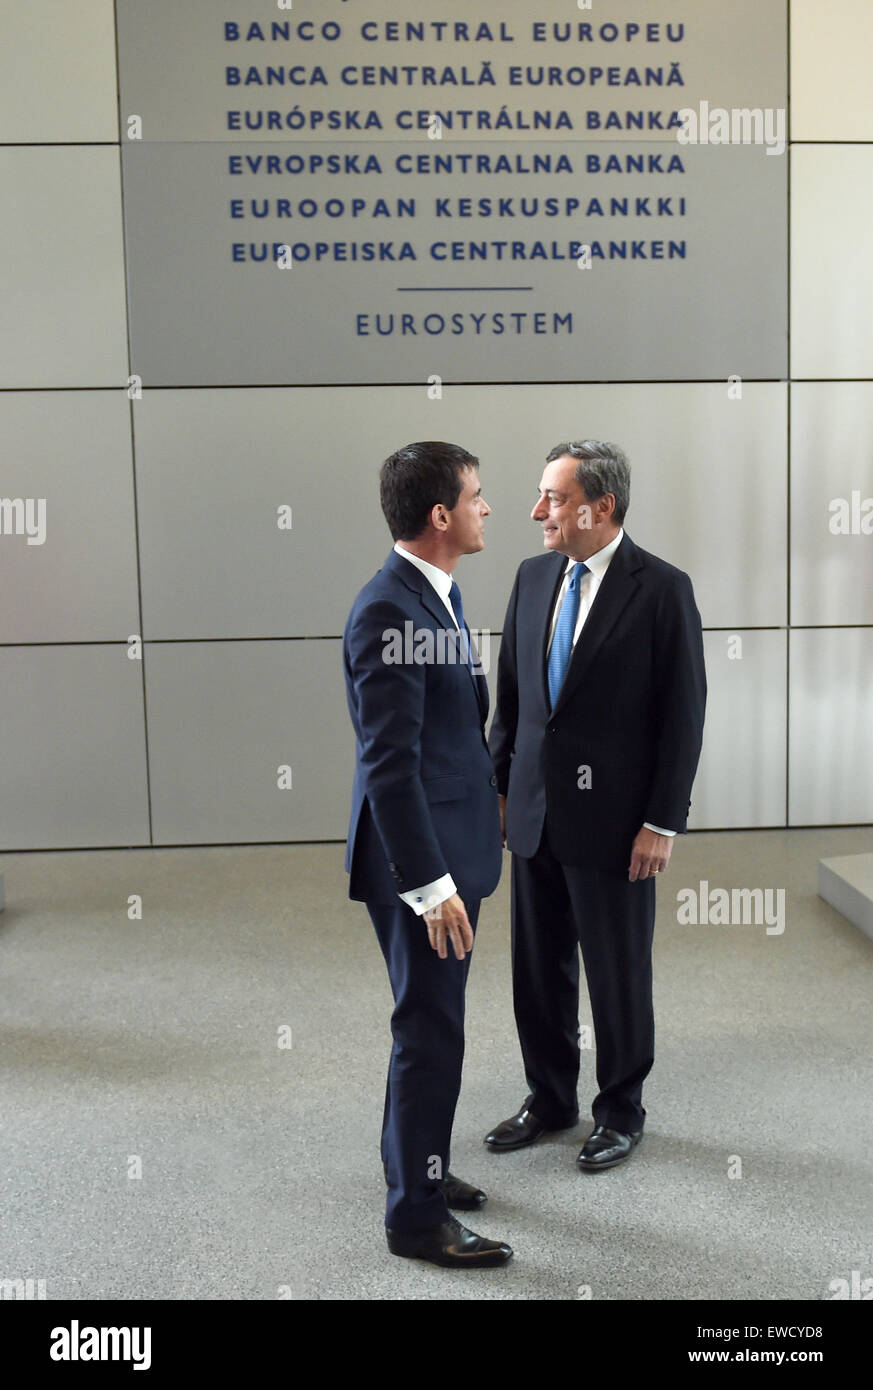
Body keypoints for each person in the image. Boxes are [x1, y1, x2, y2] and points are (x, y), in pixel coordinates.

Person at [485, 441, 706, 1170]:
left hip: (616, 827)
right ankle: (548, 1099)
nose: (535, 511)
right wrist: (497, 791)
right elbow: (511, 705)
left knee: (616, 973)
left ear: (599, 506)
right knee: (537, 969)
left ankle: (620, 1110)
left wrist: (660, 821)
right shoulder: (531, 575)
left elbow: (682, 713)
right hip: (534, 815)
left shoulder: (661, 589)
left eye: (551, 497)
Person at [343, 441, 511, 1267]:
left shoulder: (432, 596)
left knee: (427, 1023)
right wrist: (431, 884)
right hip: (421, 867)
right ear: (440, 515)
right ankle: (415, 1217)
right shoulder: (391, 611)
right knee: (430, 1031)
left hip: (444, 847)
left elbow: (451, 735)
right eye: (477, 497)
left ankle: (418, 1167)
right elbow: (389, 764)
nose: (488, 508)